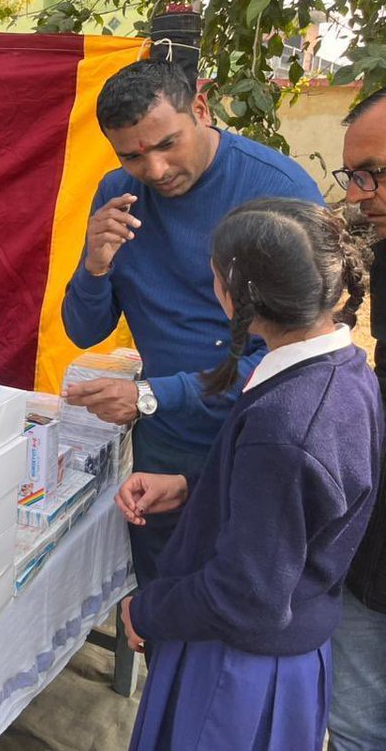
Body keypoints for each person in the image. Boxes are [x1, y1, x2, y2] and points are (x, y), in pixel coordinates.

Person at [115, 198, 381, 751]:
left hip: (237, 670)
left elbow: (246, 593)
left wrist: (148, 608)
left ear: (234, 297)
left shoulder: (288, 424)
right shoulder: (344, 371)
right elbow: (301, 511)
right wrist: (195, 489)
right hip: (277, 649)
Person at [61, 58, 323, 587]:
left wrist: (154, 394)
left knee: (245, 613)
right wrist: (94, 266)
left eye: (166, 144)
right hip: (166, 443)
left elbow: (299, 360)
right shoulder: (119, 193)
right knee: (162, 611)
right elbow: (84, 330)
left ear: (200, 107)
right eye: (132, 155)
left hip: (260, 440)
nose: (154, 170)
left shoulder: (276, 190)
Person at [327, 87, 386, 751]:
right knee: (357, 729)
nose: (358, 194)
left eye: (373, 173)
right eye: (353, 176)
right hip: (370, 565)